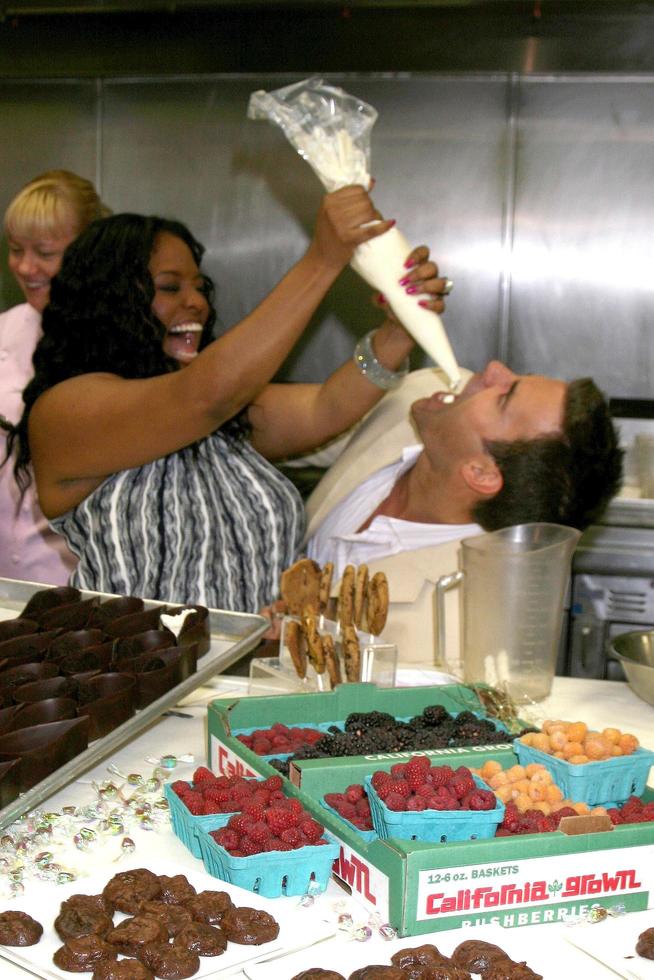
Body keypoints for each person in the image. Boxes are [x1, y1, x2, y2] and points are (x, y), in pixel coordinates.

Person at [4, 185, 451, 612]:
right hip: (142, 681)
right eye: (170, 287)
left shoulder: (219, 415)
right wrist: (323, 258)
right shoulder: (65, 412)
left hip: (249, 683)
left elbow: (326, 408)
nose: (197, 301)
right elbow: (203, 397)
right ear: (109, 299)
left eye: (199, 286)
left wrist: (397, 331)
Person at [303, 359, 623, 667]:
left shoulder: (454, 633)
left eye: (504, 395)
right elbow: (278, 424)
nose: (494, 368)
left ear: (481, 473)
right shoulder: (423, 389)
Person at [0, 169, 111, 585]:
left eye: (44, 252)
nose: (26, 267)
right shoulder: (4, 331)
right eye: (15, 250)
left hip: (77, 577)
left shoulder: (116, 343)